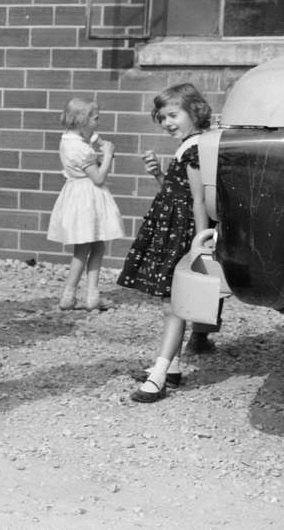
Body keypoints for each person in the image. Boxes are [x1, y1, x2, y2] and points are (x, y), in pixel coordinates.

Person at [118, 83, 213, 402]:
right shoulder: (188, 145)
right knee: (169, 304)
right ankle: (169, 366)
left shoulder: (196, 147)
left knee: (174, 305)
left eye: (173, 114)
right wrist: (159, 174)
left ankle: (159, 375)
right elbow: (179, 194)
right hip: (173, 229)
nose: (167, 122)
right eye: (162, 117)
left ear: (194, 111)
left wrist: (200, 243)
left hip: (183, 235)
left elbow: (199, 201)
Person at [46, 98, 124, 311]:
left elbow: (85, 149)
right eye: (95, 118)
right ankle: (69, 294)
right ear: (83, 121)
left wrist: (94, 141)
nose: (98, 122)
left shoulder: (69, 141)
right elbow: (98, 177)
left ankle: (92, 295)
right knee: (83, 248)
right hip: (87, 197)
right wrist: (107, 155)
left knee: (97, 244)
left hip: (77, 194)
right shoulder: (82, 149)